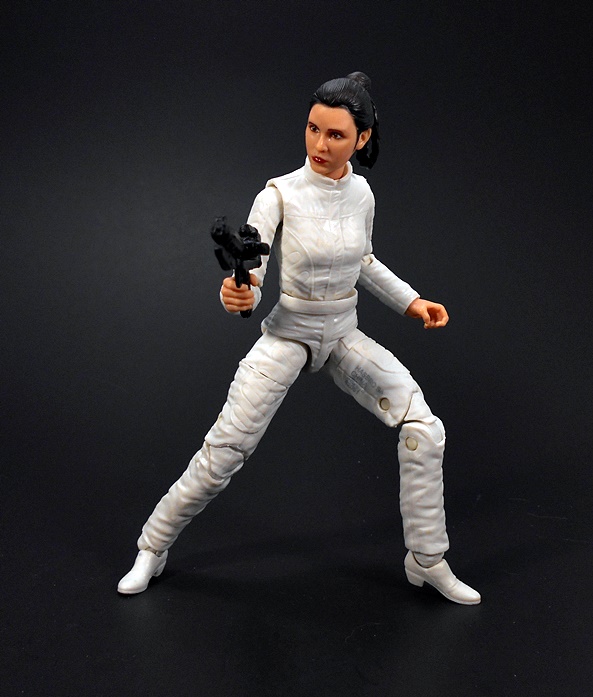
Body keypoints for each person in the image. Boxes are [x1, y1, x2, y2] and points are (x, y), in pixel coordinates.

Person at [118, 72, 480, 605]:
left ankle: (426, 560)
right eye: (313, 129)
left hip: (343, 334)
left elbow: (364, 261)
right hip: (290, 333)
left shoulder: (362, 193)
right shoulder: (279, 195)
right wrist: (239, 292)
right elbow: (252, 266)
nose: (319, 144)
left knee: (424, 428)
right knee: (225, 451)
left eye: (335, 134)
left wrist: (411, 301)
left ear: (362, 138)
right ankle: (153, 545)